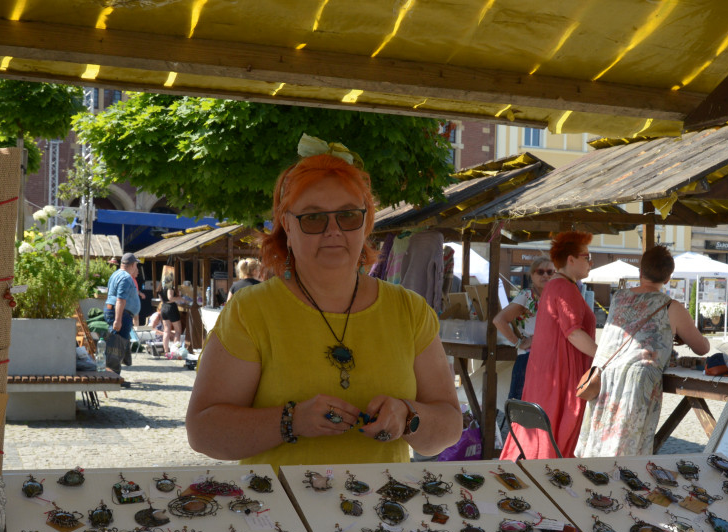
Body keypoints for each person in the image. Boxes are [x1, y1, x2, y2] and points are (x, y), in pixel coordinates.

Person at [186, 134, 462, 469]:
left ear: (366, 222)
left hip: (385, 513)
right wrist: (292, 421)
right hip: (279, 514)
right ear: (287, 225)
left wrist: (408, 417)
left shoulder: (410, 311)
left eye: (348, 216)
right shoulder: (251, 311)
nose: (333, 230)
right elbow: (203, 431)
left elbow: (448, 426)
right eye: (314, 218)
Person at [575, 245, 710, 458]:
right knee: (626, 451)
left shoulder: (619, 298)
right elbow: (702, 348)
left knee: (601, 447)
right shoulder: (671, 306)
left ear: (641, 271)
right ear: (668, 278)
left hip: (606, 378)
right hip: (638, 383)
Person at [500, 231, 597, 460]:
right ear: (571, 259)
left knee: (543, 436)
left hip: (552, 373)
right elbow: (573, 333)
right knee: (553, 440)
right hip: (561, 375)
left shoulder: (558, 285)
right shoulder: (563, 287)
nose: (591, 263)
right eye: (587, 257)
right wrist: (605, 357)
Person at [493, 256, 553, 404]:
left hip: (552, 358)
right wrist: (518, 342)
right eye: (540, 272)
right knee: (522, 404)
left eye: (550, 272)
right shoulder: (527, 296)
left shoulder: (557, 297)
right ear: (532, 275)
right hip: (529, 358)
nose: (545, 275)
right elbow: (499, 320)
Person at [104, 252, 141, 384]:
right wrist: (118, 320)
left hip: (114, 311)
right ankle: (113, 377)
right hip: (120, 313)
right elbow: (120, 300)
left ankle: (113, 374)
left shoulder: (115, 274)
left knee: (117, 343)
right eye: (136, 264)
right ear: (132, 265)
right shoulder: (125, 277)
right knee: (116, 346)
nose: (136, 268)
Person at [159, 263, 187, 359]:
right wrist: (180, 298)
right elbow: (170, 297)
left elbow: (162, 299)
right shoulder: (169, 286)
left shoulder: (160, 287)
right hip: (171, 308)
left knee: (166, 330)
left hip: (163, 308)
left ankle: (166, 351)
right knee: (178, 331)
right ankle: (175, 351)